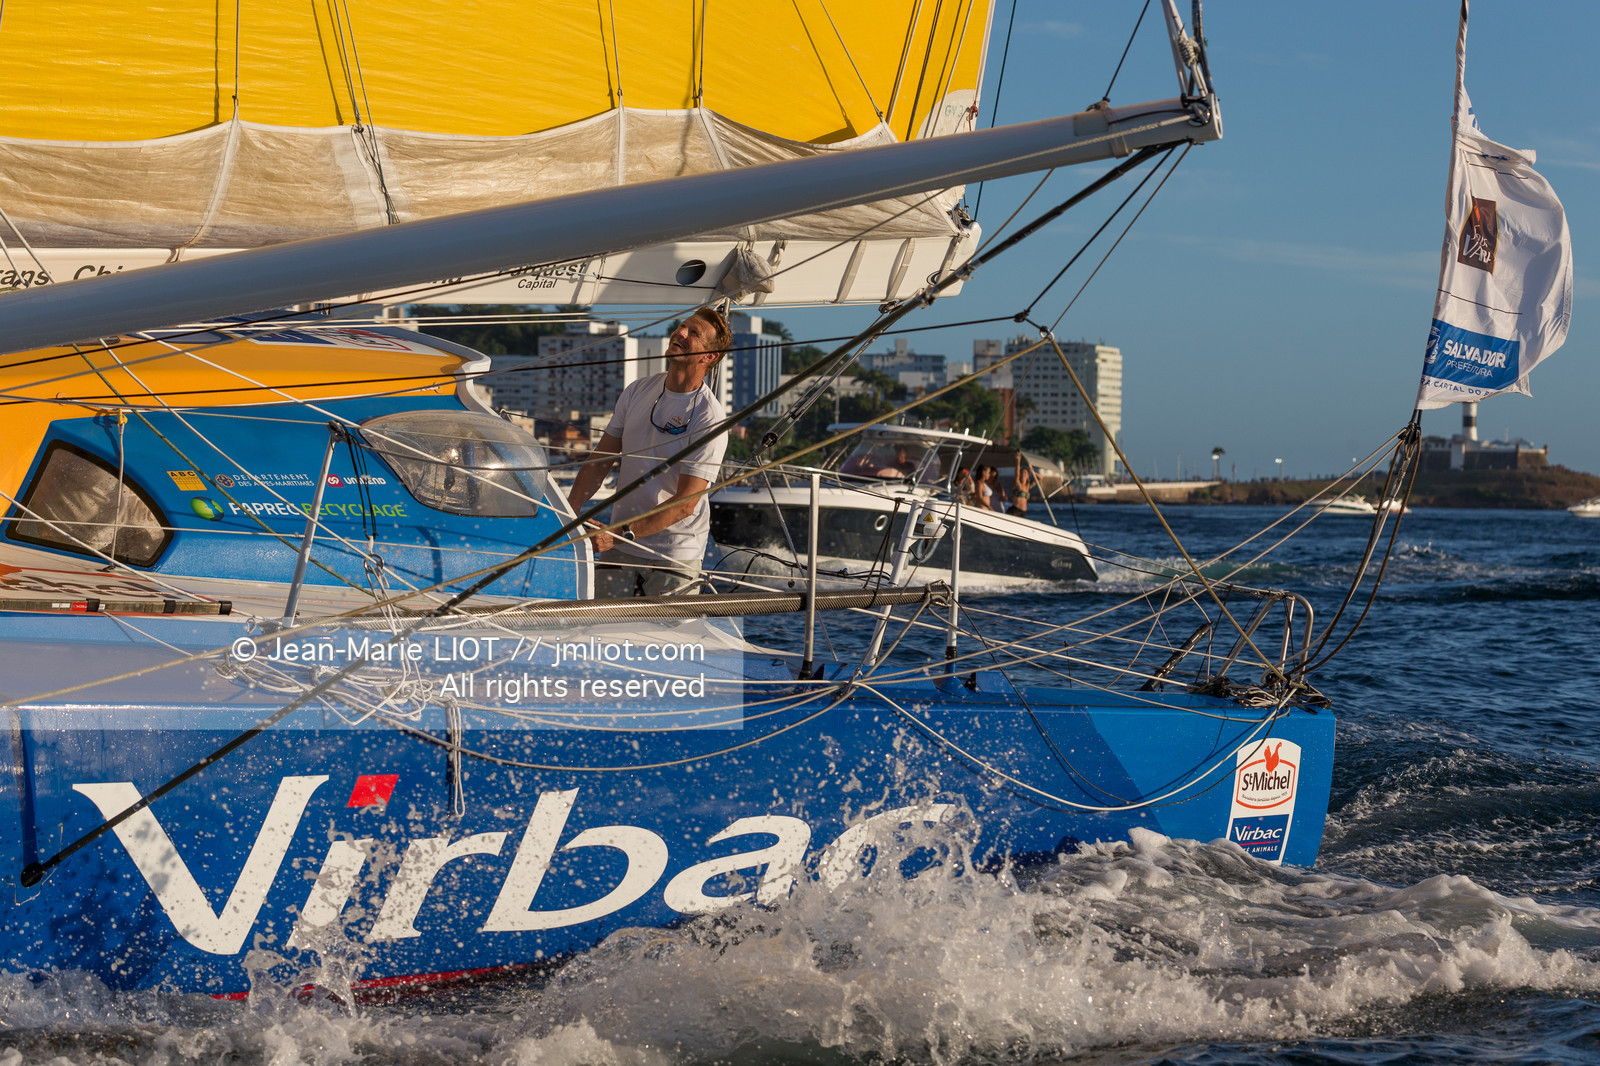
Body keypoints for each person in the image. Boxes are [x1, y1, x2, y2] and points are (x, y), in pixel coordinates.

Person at [566, 307, 730, 596]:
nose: (680, 333)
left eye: (694, 333)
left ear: (709, 356)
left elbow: (685, 504)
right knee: (600, 632)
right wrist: (569, 513)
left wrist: (616, 536)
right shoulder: (637, 390)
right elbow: (600, 461)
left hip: (673, 553)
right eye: (682, 326)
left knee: (667, 639)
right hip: (621, 543)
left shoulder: (710, 416)